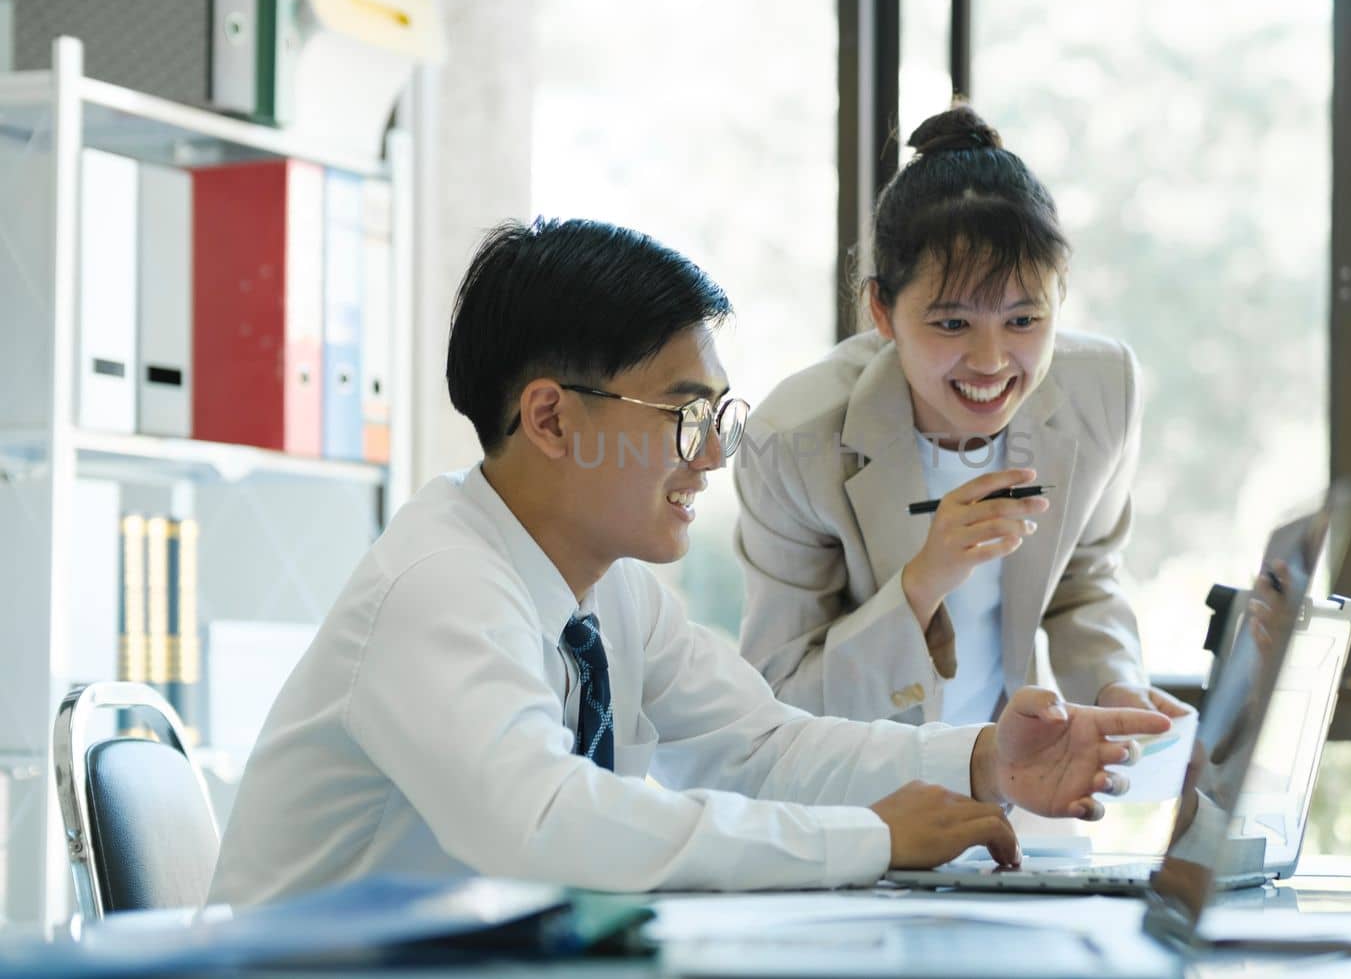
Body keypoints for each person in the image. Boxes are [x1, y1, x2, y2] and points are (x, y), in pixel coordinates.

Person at [207, 217, 1170, 906]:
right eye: (683, 415)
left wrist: (983, 758)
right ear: (550, 417)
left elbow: (763, 744)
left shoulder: (611, 590)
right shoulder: (438, 587)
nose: (715, 453)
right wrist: (871, 837)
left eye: (715, 415)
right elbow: (551, 827)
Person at [736, 104, 1191, 728]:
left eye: (1024, 320)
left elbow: (1083, 579)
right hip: (856, 800)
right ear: (882, 310)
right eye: (952, 323)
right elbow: (780, 697)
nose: (991, 361)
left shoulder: (1103, 392)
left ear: (1060, 299)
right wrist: (924, 580)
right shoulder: (793, 442)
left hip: (1009, 778)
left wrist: (1115, 689)